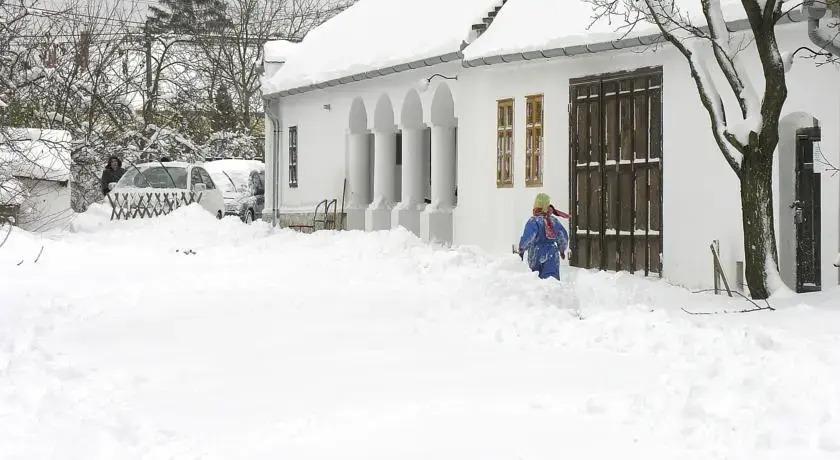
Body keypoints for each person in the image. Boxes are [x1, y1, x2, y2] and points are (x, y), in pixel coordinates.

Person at [518, 193, 569, 280]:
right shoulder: (554, 221)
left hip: (536, 253)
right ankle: (553, 292)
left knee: (536, 279)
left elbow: (528, 237)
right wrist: (561, 250)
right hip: (552, 252)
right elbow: (562, 236)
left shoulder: (533, 221)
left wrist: (521, 249)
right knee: (551, 279)